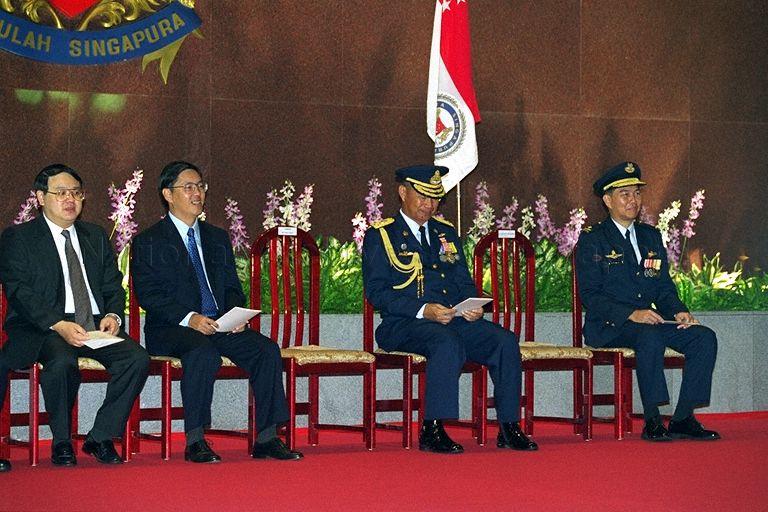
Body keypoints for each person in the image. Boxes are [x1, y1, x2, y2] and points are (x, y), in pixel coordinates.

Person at [131, 161, 302, 463]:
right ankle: (195, 439)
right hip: (173, 328)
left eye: (200, 186)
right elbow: (150, 295)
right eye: (188, 187)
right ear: (168, 195)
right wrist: (190, 318)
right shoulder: (149, 241)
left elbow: (232, 286)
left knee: (266, 350)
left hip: (219, 325)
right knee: (202, 353)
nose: (197, 193)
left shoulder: (216, 237)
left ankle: (267, 437)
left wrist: (236, 316)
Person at [362, 165, 537, 454]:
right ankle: (432, 427)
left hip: (452, 319)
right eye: (422, 196)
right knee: (446, 342)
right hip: (403, 324)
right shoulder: (382, 235)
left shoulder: (445, 233)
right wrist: (424, 310)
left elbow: (462, 280)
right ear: (403, 193)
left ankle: (509, 426)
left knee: (504, 341)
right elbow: (377, 293)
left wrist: (471, 306)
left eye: (434, 199)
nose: (428, 205)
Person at [0, 164, 150, 469]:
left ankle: (100, 436)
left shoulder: (94, 235)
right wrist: (58, 324)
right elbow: (20, 292)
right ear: (41, 197)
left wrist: (112, 314)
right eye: (61, 193)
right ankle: (62, 441)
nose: (70, 199)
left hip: (94, 326)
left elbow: (112, 283)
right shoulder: (20, 237)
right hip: (44, 326)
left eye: (76, 193)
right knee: (61, 361)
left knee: (136, 358)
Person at [576, 161, 720, 442]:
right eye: (625, 194)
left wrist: (679, 311)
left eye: (637, 193)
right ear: (607, 200)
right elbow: (590, 296)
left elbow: (663, 287)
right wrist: (632, 313)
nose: (633, 200)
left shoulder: (651, 236)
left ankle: (683, 418)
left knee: (703, 338)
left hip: (649, 322)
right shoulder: (593, 239)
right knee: (650, 336)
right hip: (610, 324)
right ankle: (653, 419)